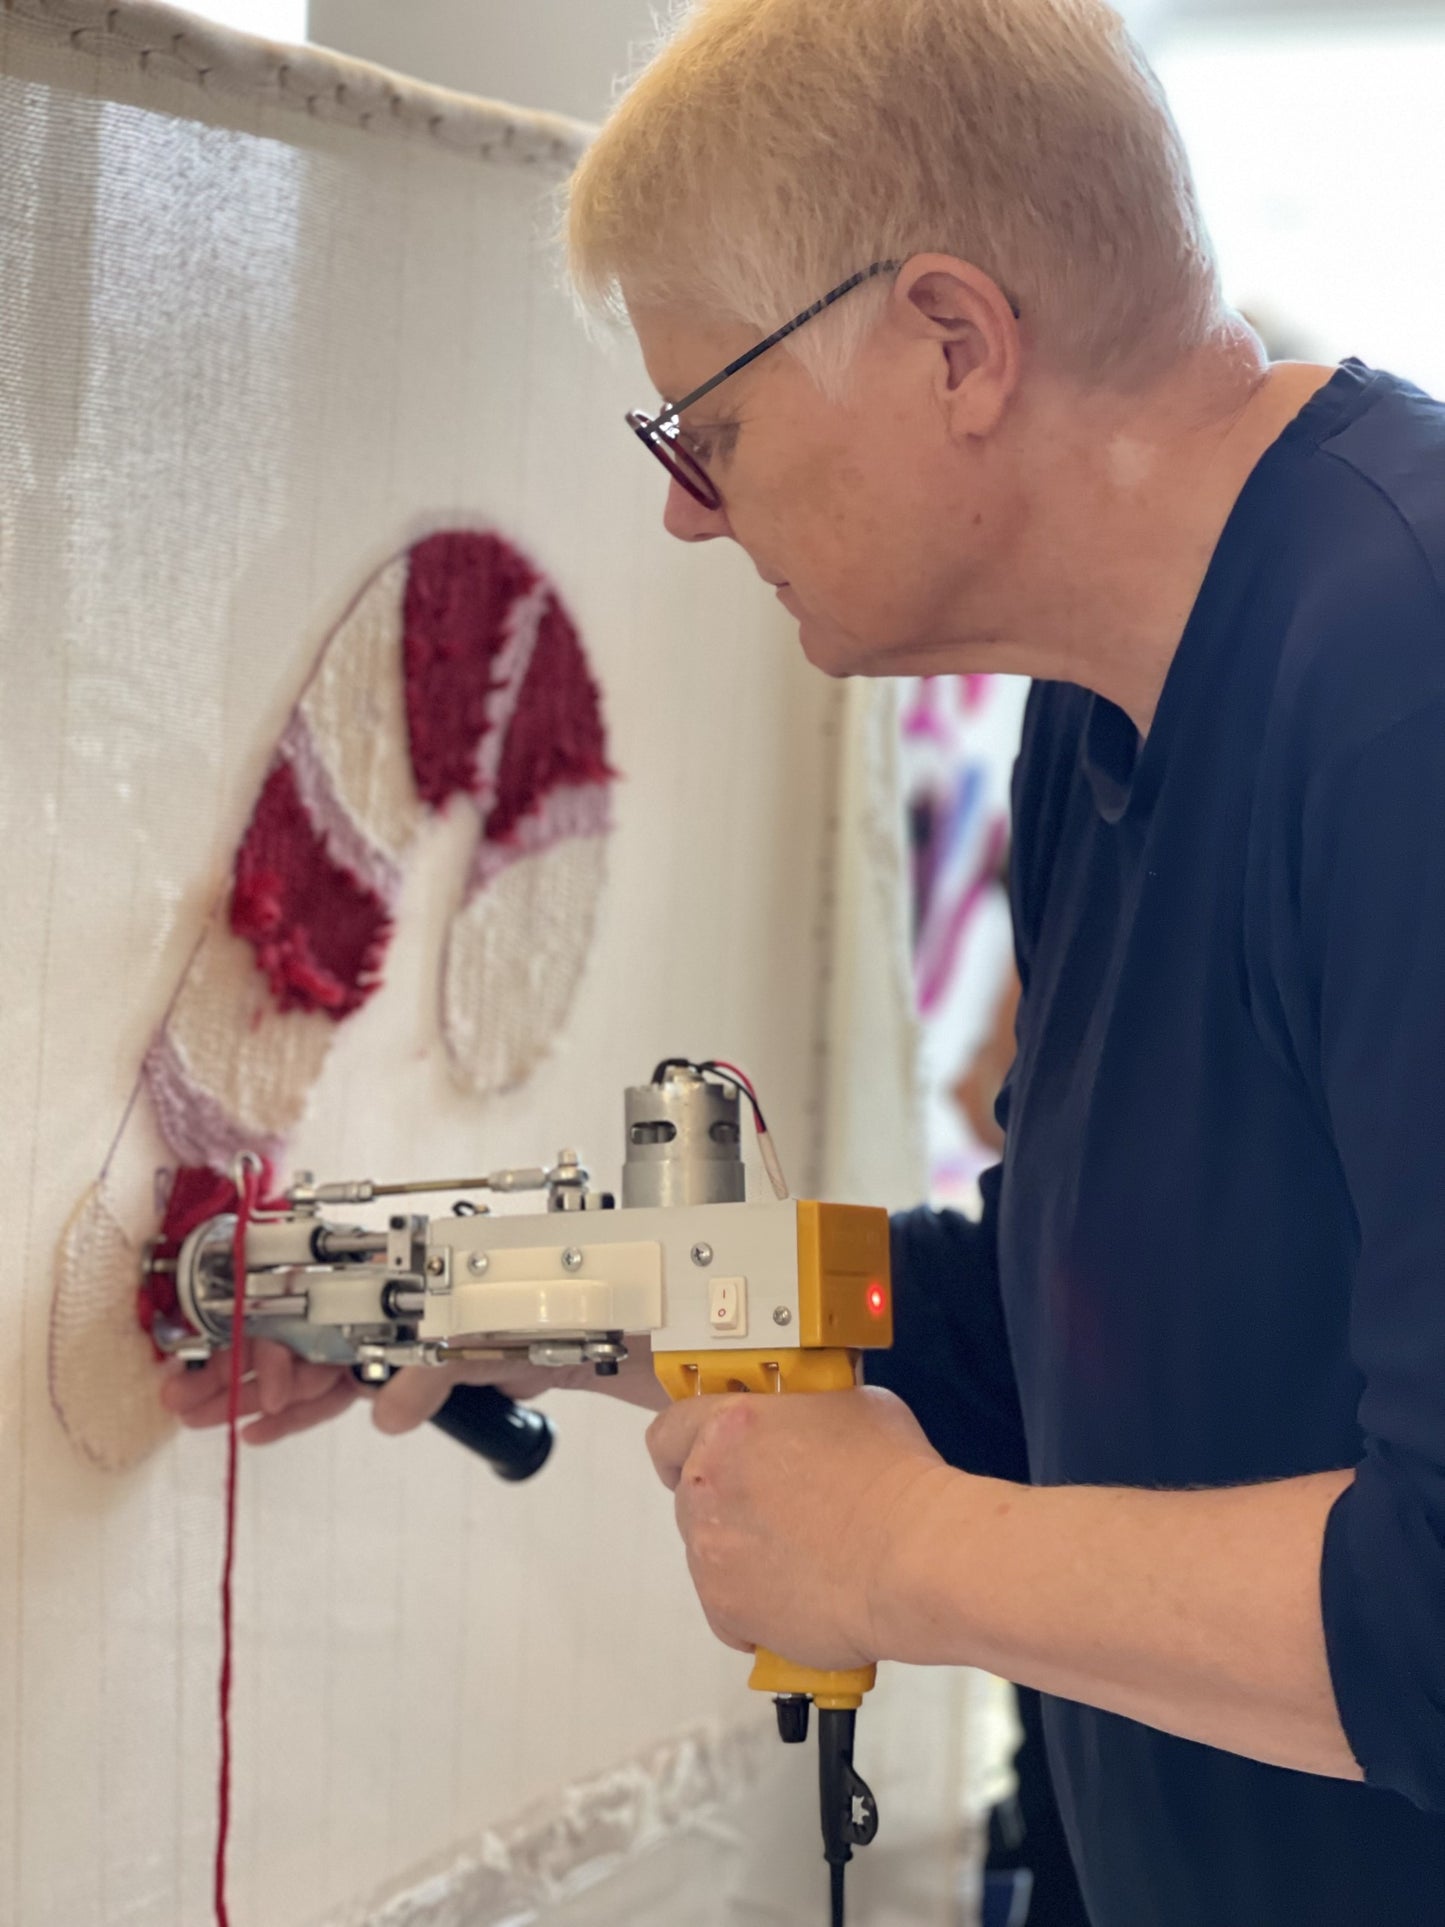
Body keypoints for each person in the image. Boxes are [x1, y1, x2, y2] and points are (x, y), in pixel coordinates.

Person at [163, 1, 1445, 1918]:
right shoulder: (1106, 701)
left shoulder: (1404, 673)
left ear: (951, 342)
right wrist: (514, 1297)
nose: (685, 510)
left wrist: (894, 1552)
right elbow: (1069, 1349)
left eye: (714, 429)